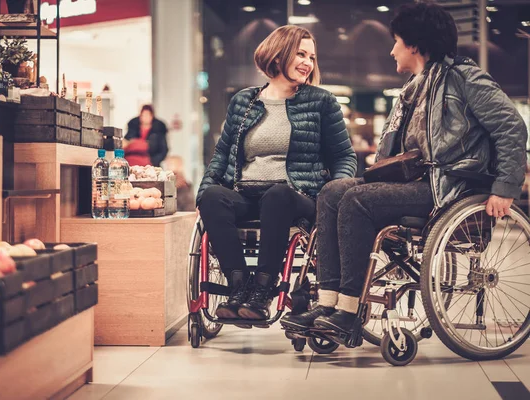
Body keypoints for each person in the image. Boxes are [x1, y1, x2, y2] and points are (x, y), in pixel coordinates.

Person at [281, 1, 528, 334]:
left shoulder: (463, 77)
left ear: (414, 44)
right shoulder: (414, 88)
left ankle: (350, 310)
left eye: (396, 40)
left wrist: (504, 187)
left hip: (448, 187)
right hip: (415, 183)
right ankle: (328, 302)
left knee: (357, 200)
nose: (392, 50)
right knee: (332, 191)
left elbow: (511, 126)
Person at [197, 25, 357, 323]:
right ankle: (238, 287)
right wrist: (205, 187)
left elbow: (344, 156)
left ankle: (262, 289)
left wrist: (333, 193)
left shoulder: (321, 102)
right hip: (247, 193)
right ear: (278, 54)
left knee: (277, 195)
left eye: (311, 56)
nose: (308, 62)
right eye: (300, 54)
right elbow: (222, 153)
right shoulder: (244, 102)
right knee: (212, 197)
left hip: (296, 196)